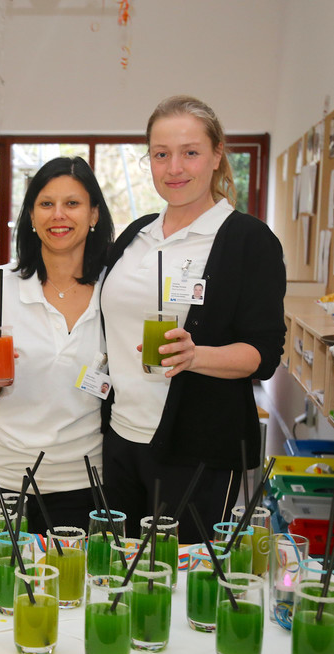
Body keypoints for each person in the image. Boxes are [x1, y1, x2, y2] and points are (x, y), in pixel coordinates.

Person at [99, 95, 285, 541]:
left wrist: (195, 356)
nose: (174, 168)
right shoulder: (136, 234)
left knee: (180, 573)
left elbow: (263, 354)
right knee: (115, 569)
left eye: (190, 152)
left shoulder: (248, 240)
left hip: (198, 450)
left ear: (217, 155)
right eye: (161, 154)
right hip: (119, 437)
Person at [0, 157, 115, 534]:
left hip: (84, 484)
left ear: (94, 214)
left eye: (72, 203)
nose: (58, 215)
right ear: (31, 216)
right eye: (46, 203)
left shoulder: (117, 290)